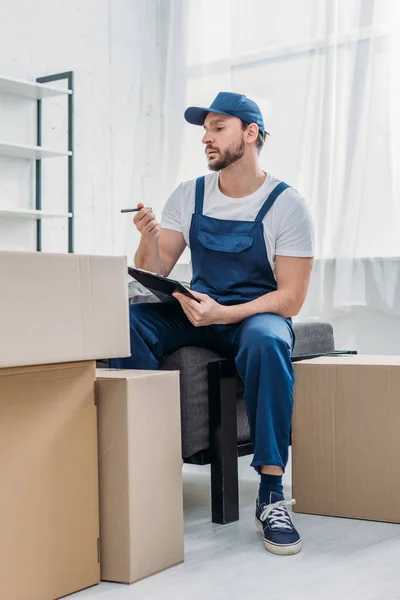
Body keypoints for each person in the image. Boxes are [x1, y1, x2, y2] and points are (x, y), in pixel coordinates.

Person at [111, 92, 314, 556]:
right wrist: (147, 238)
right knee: (125, 320)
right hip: (199, 310)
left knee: (267, 343)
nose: (206, 137)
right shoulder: (190, 194)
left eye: (218, 127)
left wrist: (224, 313)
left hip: (254, 313)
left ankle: (271, 493)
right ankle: (145, 464)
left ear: (251, 133)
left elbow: (292, 298)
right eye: (205, 129)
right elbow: (156, 268)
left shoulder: (286, 205)